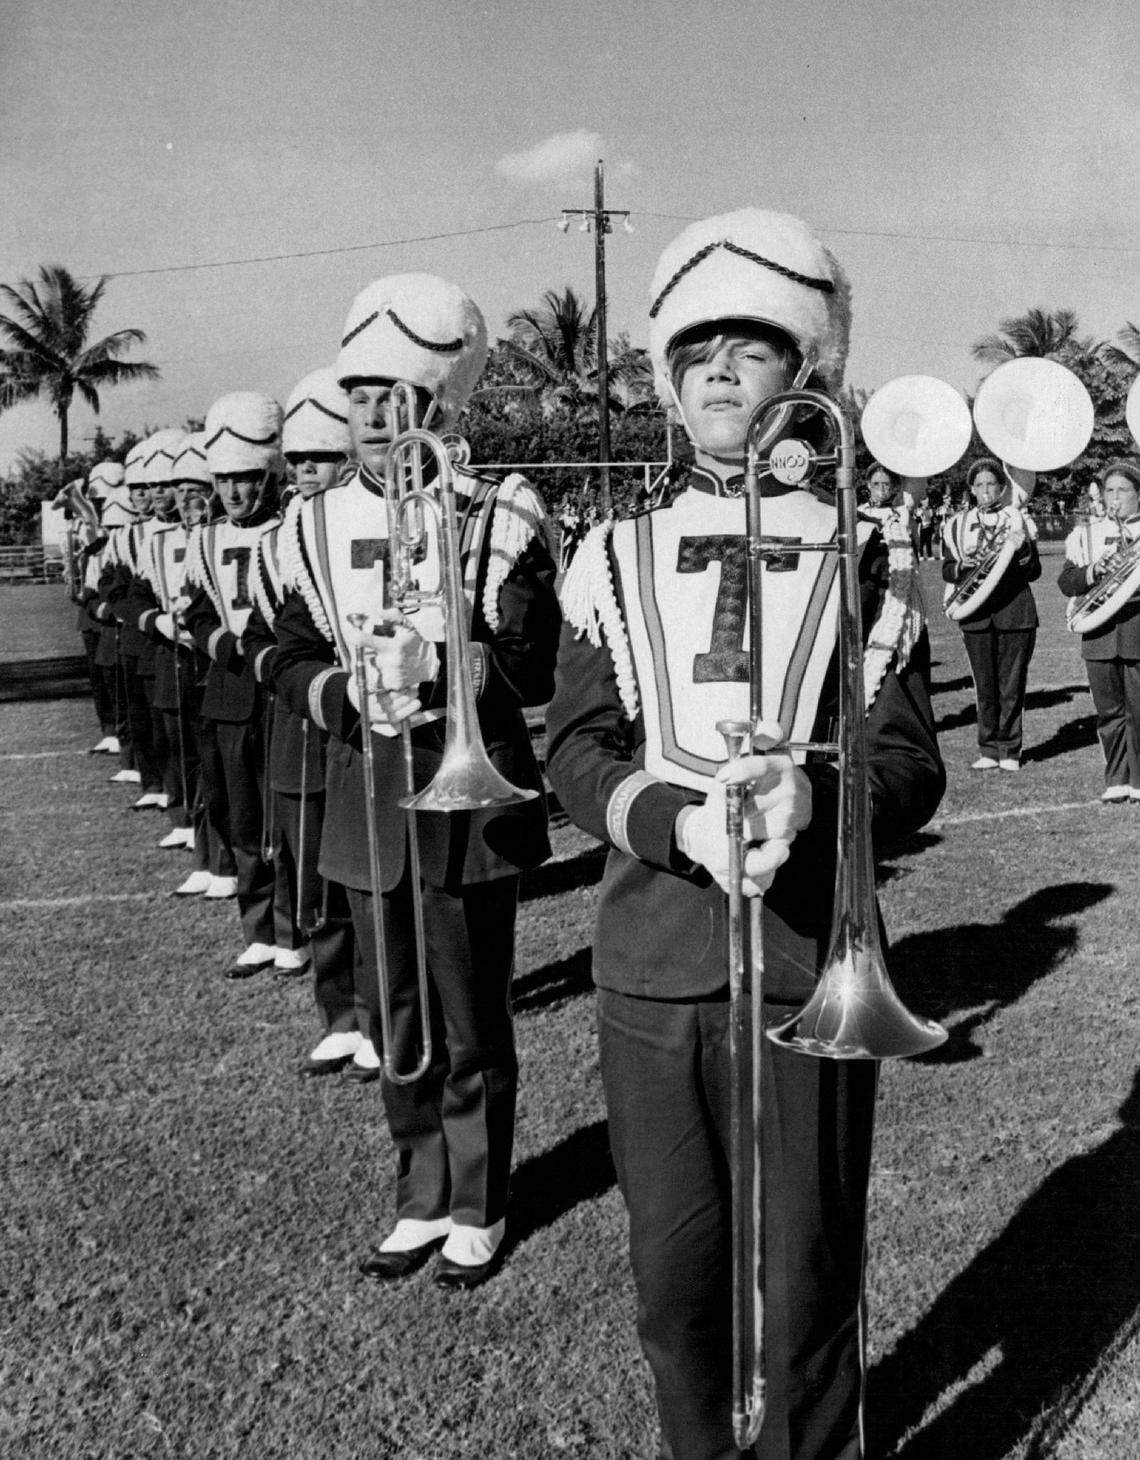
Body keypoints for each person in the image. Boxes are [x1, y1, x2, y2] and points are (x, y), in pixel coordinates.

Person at [545, 208, 945, 1460]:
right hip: (651, 965)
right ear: (668, 380)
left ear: (803, 375)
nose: (720, 367)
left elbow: (911, 761)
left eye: (754, 346)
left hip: (805, 958)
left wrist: (813, 799)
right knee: (675, 1290)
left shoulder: (870, 551)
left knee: (810, 1288)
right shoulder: (609, 554)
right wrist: (675, 823)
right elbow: (573, 748)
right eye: (696, 349)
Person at [271, 273, 560, 1286]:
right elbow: (286, 651)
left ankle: (479, 1197)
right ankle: (420, 1187)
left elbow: (537, 655)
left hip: (466, 794)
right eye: (359, 396)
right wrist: (341, 689)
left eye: (397, 398)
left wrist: (464, 662)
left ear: (439, 405)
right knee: (395, 1002)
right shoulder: (307, 523)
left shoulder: (497, 509)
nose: (373, 418)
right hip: (367, 784)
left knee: (471, 1007)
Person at [183, 392, 287, 976]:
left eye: (245, 479)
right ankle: (259, 926)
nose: (233, 492)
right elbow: (197, 611)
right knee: (240, 815)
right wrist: (222, 644)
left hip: (279, 698)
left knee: (285, 818)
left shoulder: (291, 532)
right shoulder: (205, 540)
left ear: (266, 476)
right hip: (227, 695)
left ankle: (295, 927)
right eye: (223, 480)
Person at [942, 457, 1040, 771]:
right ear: (971, 489)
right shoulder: (957, 523)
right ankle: (988, 749)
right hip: (976, 613)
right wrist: (964, 565)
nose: (985, 489)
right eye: (979, 484)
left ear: (1001, 488)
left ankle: (1010, 751)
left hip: (1015, 612)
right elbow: (947, 568)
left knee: (1011, 687)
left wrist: (1021, 547)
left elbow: (1034, 570)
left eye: (991, 484)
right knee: (984, 687)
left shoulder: (1017, 517)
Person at [1058, 459, 1140, 802]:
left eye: (1123, 490)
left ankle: (1139, 780)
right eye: (1109, 490)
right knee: (1108, 711)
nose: (1115, 497)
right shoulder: (1085, 534)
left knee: (1139, 707)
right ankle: (1116, 778)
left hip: (1137, 628)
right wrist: (1093, 570)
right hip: (1099, 633)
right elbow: (1066, 581)